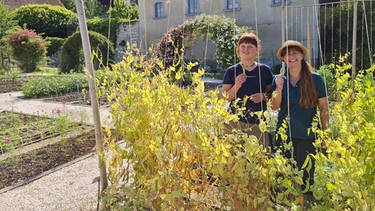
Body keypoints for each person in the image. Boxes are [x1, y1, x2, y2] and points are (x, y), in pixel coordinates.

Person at [271, 40, 330, 202]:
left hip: (307, 136)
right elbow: (274, 107)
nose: (292, 56)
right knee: (285, 177)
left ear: (302, 55)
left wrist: (325, 135)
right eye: (287, 54)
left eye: (295, 52)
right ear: (283, 59)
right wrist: (279, 88)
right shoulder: (279, 80)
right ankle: (289, 205)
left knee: (306, 180)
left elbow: (324, 109)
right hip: (283, 136)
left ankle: (306, 205)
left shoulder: (316, 79)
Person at [221, 32, 273, 148]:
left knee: (261, 159)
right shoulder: (231, 71)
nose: (246, 49)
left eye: (250, 46)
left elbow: (272, 95)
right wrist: (237, 85)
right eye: (243, 46)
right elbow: (224, 98)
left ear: (257, 49)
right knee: (233, 161)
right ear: (238, 49)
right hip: (234, 123)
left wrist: (263, 97)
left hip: (258, 123)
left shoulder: (265, 70)